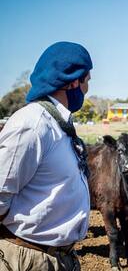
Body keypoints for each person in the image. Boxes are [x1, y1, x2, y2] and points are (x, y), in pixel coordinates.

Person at [0, 41, 93, 270]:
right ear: (73, 81)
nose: (88, 88)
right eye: (87, 80)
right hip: (31, 258)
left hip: (59, 258)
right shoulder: (33, 125)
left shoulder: (59, 124)